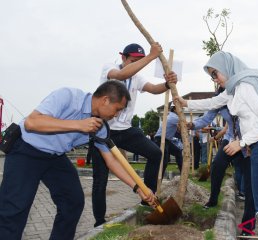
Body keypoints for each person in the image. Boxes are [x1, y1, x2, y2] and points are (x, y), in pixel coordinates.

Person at [0, 81, 156, 240]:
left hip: (55, 157)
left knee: (72, 202)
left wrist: (138, 187)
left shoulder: (100, 127)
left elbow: (112, 161)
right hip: (26, 150)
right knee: (15, 208)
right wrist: (79, 124)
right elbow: (32, 122)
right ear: (105, 100)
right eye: (117, 109)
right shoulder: (68, 96)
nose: (116, 115)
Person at [175, 51, 258, 239]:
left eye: (215, 73)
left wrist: (242, 142)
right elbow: (212, 102)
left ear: (227, 68)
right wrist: (185, 102)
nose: (214, 79)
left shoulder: (246, 86)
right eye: (211, 76)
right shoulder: (234, 89)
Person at [92, 42, 178, 227]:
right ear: (123, 57)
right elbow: (123, 74)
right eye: (133, 60)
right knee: (101, 178)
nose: (136, 65)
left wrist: (167, 83)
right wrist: (151, 56)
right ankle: (99, 222)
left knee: (156, 153)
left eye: (139, 61)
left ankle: (147, 199)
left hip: (125, 130)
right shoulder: (110, 68)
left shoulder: (137, 78)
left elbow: (154, 89)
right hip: (103, 130)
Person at [154, 104, 183, 175]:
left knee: (178, 152)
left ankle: (183, 174)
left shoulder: (172, 116)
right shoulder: (175, 117)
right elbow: (184, 126)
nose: (181, 110)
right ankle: (158, 178)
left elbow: (179, 130)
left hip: (166, 140)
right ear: (175, 109)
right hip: (161, 139)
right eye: (180, 108)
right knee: (164, 161)